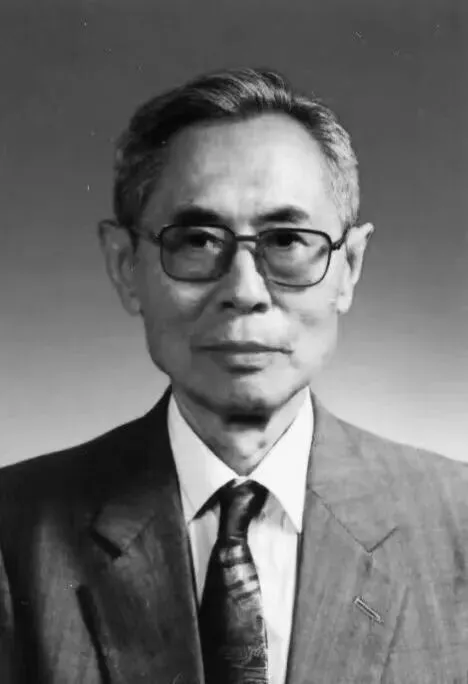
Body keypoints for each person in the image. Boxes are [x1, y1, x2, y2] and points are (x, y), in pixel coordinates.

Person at [0, 68, 467, 684]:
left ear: (349, 267)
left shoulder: (459, 522)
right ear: (125, 265)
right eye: (196, 240)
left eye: (288, 240)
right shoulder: (13, 534)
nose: (244, 291)